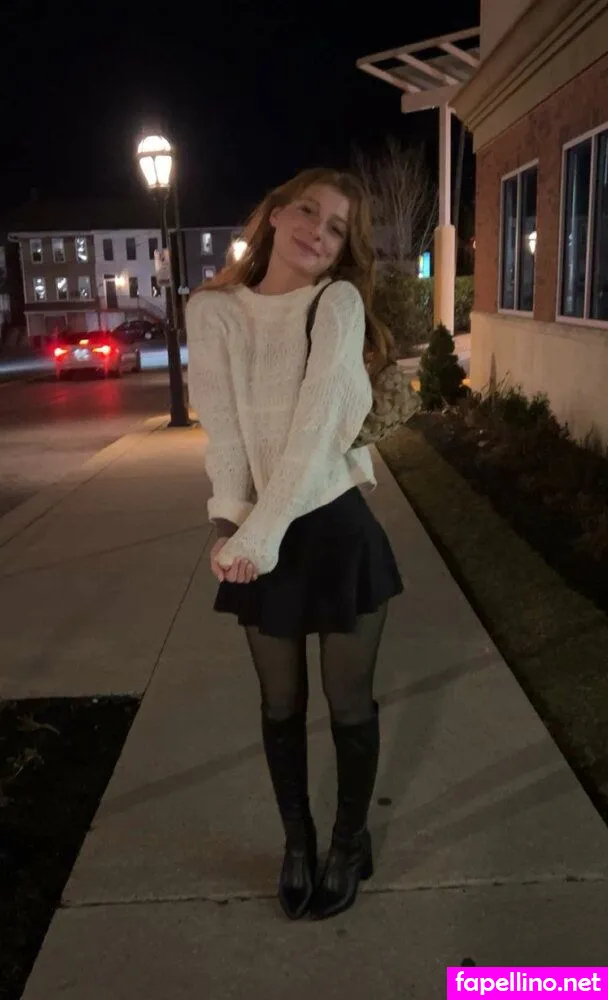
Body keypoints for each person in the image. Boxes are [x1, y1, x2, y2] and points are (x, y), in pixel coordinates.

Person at [185, 167, 403, 922]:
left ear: (343, 249)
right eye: (309, 210)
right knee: (280, 704)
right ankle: (298, 843)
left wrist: (263, 532)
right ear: (275, 214)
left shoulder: (334, 303)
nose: (319, 230)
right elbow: (224, 431)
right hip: (259, 530)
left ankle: (348, 841)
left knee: (348, 705)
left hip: (334, 527)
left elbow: (316, 433)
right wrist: (228, 523)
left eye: (337, 227)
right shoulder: (213, 311)